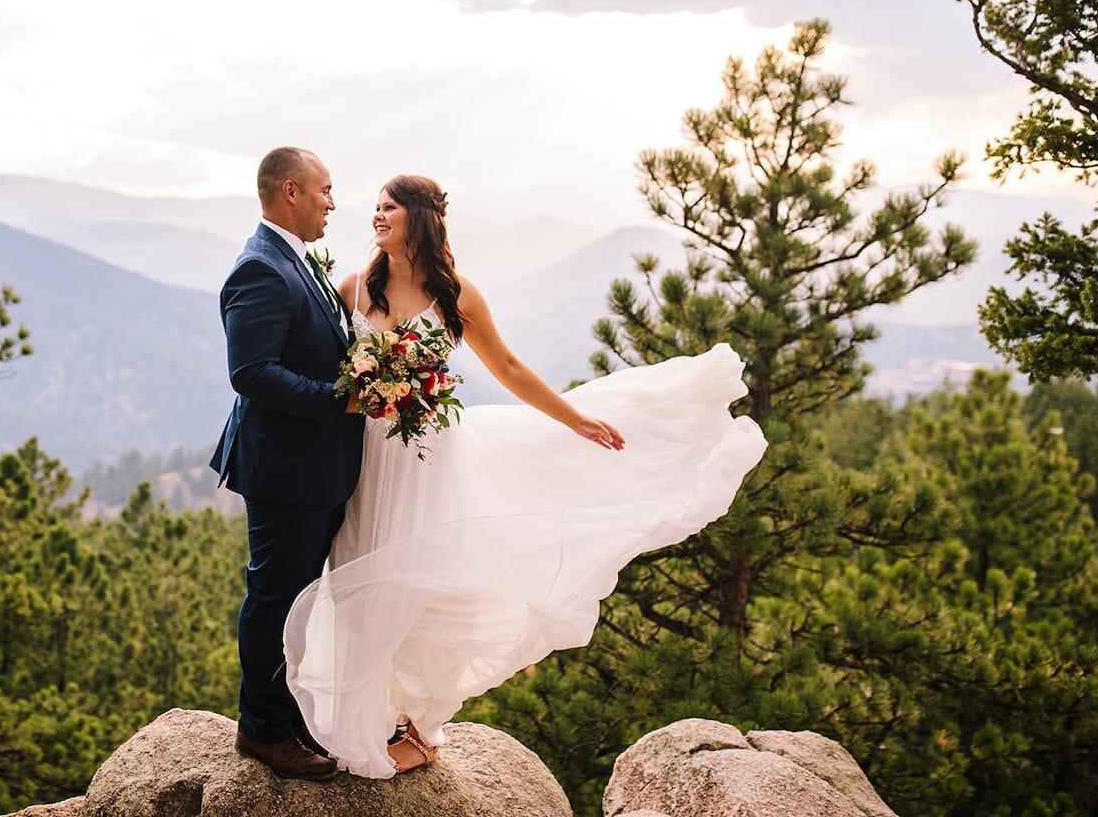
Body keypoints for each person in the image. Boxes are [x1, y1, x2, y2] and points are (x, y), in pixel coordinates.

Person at [283, 174, 768, 778]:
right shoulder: (355, 286)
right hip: (364, 461)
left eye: (388, 207)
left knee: (423, 589)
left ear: (420, 219)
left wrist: (574, 419)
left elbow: (508, 366)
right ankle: (367, 722)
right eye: (375, 207)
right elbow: (325, 370)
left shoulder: (456, 295)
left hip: (430, 462)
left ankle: (420, 725)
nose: (375, 215)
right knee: (363, 586)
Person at [209, 146, 363, 781]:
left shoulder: (296, 261)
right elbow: (252, 373)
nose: (334, 202)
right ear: (292, 191)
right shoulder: (261, 269)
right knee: (275, 598)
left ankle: (287, 713)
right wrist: (340, 399)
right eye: (327, 190)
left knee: (299, 596)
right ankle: (263, 731)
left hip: (314, 468)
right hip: (285, 471)